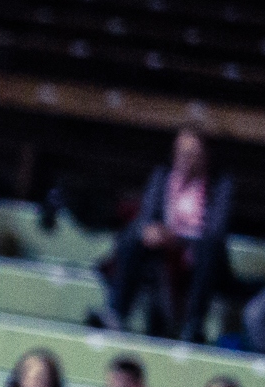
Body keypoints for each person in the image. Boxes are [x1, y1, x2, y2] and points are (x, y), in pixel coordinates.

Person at [98, 128, 234, 343]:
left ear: (204, 157)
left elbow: (216, 231)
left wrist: (178, 238)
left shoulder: (220, 184)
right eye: (181, 153)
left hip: (197, 252)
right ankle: (116, 313)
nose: (185, 159)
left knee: (208, 250)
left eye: (192, 154)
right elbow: (147, 216)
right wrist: (150, 230)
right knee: (132, 236)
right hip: (161, 249)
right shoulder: (162, 176)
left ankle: (193, 325)